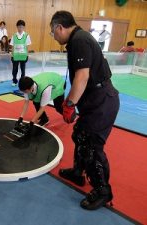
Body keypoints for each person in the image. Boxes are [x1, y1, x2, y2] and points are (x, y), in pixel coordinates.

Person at [50, 11, 119, 210]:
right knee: (80, 134)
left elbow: (82, 77)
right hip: (97, 100)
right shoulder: (79, 38)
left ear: (59, 27)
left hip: (101, 102)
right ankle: (78, 172)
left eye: (52, 32)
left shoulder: (79, 40)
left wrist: (69, 105)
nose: (54, 37)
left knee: (91, 147)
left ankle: (103, 191)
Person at [10, 20, 31, 86]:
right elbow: (12, 46)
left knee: (23, 70)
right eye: (19, 27)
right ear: (17, 27)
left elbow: (27, 46)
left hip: (23, 56)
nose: (20, 28)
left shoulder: (27, 35)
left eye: (21, 27)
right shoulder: (14, 35)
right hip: (16, 56)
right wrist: (12, 56)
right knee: (14, 70)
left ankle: (22, 83)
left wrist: (27, 55)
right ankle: (14, 81)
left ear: (24, 27)